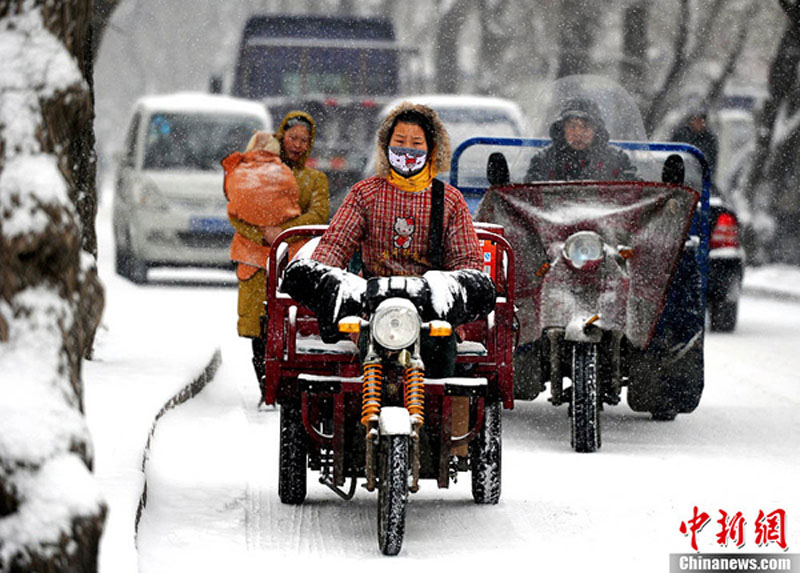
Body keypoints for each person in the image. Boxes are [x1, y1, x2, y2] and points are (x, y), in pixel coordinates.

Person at [281, 102, 495, 379]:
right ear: (386, 146)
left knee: (442, 369)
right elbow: (335, 246)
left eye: (416, 143)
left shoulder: (449, 200)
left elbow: (466, 260)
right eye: (400, 142)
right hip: (372, 306)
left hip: (431, 311)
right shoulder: (365, 194)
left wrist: (456, 295)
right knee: (367, 363)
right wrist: (322, 278)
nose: (407, 150)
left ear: (432, 149)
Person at [223, 111, 329, 397]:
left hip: (292, 263)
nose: (297, 145)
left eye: (304, 140)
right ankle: (265, 388)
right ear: (282, 137)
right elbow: (236, 213)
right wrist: (262, 234)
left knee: (289, 327)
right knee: (258, 327)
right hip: (254, 263)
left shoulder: (315, 179)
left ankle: (287, 390)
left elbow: (318, 215)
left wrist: (281, 231)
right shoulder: (254, 174)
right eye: (292, 137)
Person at [525, 97, 637, 182]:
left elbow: (635, 193)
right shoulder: (543, 160)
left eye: (585, 127)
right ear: (562, 129)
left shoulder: (617, 160)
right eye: (572, 126)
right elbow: (528, 196)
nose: (578, 133)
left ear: (596, 131)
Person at [670, 108, 718, 179]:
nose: (699, 124)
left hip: (699, 177)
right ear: (691, 121)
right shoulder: (681, 135)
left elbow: (711, 162)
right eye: (697, 121)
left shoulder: (709, 139)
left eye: (702, 121)